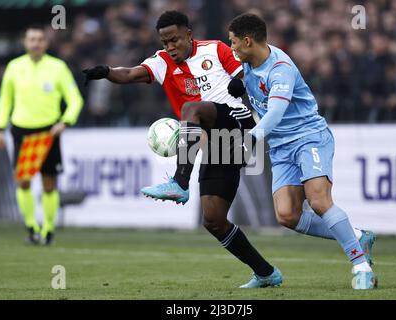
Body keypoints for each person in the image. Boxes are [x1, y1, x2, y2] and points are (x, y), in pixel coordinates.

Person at [83, 10, 282, 288]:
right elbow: (129, 74)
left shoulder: (215, 48)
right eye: (165, 42)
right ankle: (266, 273)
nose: (170, 47)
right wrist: (106, 72)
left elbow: (245, 72)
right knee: (213, 220)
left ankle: (179, 181)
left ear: (188, 34)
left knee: (191, 108)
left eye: (174, 40)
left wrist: (240, 84)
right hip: (216, 143)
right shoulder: (162, 62)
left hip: (238, 126)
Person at [227, 13, 378, 289]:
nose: (232, 48)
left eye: (234, 42)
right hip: (281, 147)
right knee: (287, 215)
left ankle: (360, 266)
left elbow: (275, 112)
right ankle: (357, 235)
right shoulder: (247, 65)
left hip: (309, 138)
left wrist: (251, 137)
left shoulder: (280, 68)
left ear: (248, 41)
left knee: (319, 201)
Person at [0, 25, 84, 245]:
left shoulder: (57, 67)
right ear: (26, 42)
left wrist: (65, 121)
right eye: (31, 39)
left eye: (40, 39)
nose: (35, 43)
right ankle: (32, 228)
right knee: (23, 182)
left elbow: (75, 99)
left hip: (48, 131)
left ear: (46, 43)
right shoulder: (14, 67)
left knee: (48, 183)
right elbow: (5, 100)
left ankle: (48, 231)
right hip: (21, 131)